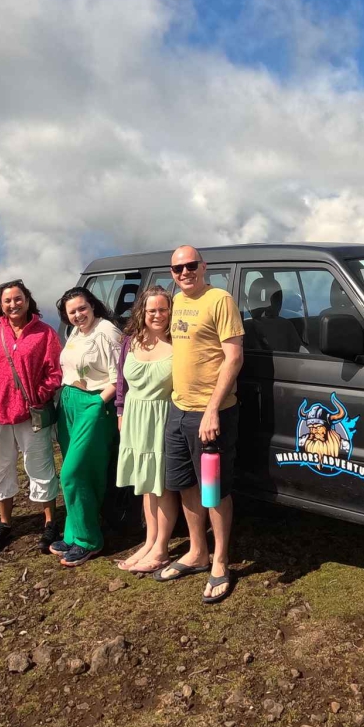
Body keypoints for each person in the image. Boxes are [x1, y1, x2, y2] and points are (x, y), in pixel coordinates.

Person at [156, 245, 244, 604]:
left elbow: (234, 357)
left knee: (214, 489)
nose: (185, 272)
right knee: (185, 483)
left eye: (191, 266)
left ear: (203, 266)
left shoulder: (219, 300)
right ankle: (197, 551)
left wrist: (211, 410)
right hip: (178, 408)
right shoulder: (176, 301)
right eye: (178, 268)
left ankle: (220, 560)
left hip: (212, 413)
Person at [0, 280, 64, 555]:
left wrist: (38, 396)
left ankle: (49, 523)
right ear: (1, 303)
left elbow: (54, 372)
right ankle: (4, 523)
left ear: (27, 300)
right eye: (8, 300)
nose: (13, 304)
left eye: (18, 299)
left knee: (40, 466)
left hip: (31, 416)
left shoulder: (44, 334)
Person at [51, 286, 123, 566]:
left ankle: (89, 540)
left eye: (83, 308)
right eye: (72, 312)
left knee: (75, 472)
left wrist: (97, 405)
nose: (79, 314)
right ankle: (74, 533)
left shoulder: (106, 332)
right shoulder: (75, 333)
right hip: (68, 403)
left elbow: (120, 377)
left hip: (94, 404)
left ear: (92, 306)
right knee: (77, 470)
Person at [112, 285, 176, 574]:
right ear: (142, 312)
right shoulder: (131, 340)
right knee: (145, 485)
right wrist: (121, 410)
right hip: (135, 416)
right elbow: (120, 381)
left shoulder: (178, 342)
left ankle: (161, 548)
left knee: (161, 487)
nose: (158, 315)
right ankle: (149, 541)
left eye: (163, 309)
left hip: (163, 415)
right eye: (152, 310)